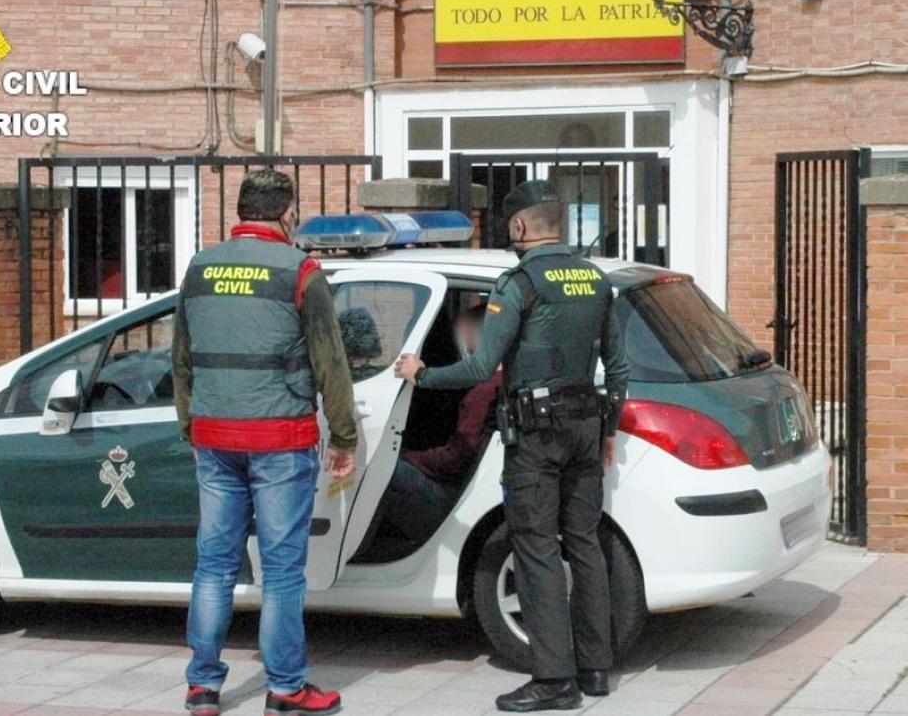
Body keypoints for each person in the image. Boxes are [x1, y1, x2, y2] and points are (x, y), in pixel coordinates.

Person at [395, 180, 628, 712]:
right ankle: (595, 670)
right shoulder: (594, 279)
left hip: (537, 436)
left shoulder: (519, 283)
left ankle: (554, 681)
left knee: (538, 549)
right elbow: (617, 367)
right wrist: (608, 427)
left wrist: (420, 373)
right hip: (586, 427)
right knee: (584, 544)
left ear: (520, 226)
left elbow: (480, 366)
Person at [173, 169, 356, 716]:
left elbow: (180, 355)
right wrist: (344, 435)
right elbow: (331, 360)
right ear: (287, 213)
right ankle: (285, 688)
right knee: (279, 570)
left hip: (214, 436)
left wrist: (191, 425)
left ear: (240, 211)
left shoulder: (200, 268)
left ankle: (203, 687)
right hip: (280, 438)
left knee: (214, 564)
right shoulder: (300, 271)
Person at [376, 304, 502, 544]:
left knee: (380, 466)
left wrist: (409, 458)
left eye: (465, 336)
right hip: (462, 489)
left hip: (449, 498)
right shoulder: (503, 380)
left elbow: (456, 456)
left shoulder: (483, 391)